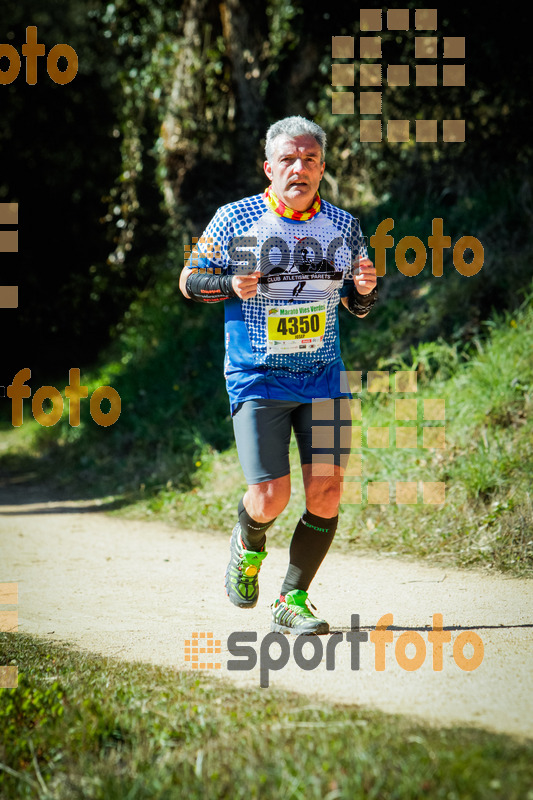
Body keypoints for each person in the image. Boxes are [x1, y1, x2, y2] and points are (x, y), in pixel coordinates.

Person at [179, 116, 377, 634]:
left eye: (310, 159)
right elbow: (189, 280)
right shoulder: (236, 220)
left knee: (327, 491)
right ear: (270, 168)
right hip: (258, 376)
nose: (300, 168)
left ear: (322, 168)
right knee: (271, 495)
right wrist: (228, 282)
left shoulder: (342, 224)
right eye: (289, 159)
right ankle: (247, 542)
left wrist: (364, 287)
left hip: (324, 378)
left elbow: (358, 306)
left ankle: (292, 599)